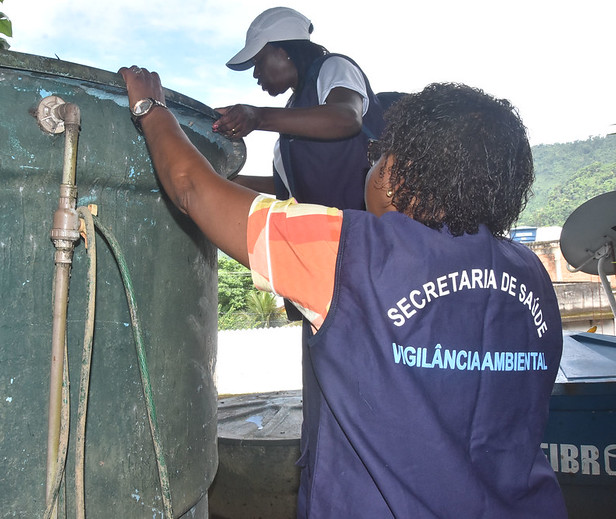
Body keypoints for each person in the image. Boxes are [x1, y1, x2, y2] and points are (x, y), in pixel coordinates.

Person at [119, 65, 567, 518]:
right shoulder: (532, 276)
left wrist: (149, 107)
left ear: (397, 174)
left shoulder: (349, 252)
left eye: (377, 154)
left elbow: (193, 187)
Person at [213, 7, 385, 211]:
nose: (255, 73)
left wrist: (258, 117)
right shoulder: (291, 115)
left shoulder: (333, 66)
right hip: (328, 236)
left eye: (259, 62)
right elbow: (292, 187)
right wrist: (237, 181)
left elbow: (347, 118)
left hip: (367, 230)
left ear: (284, 53)